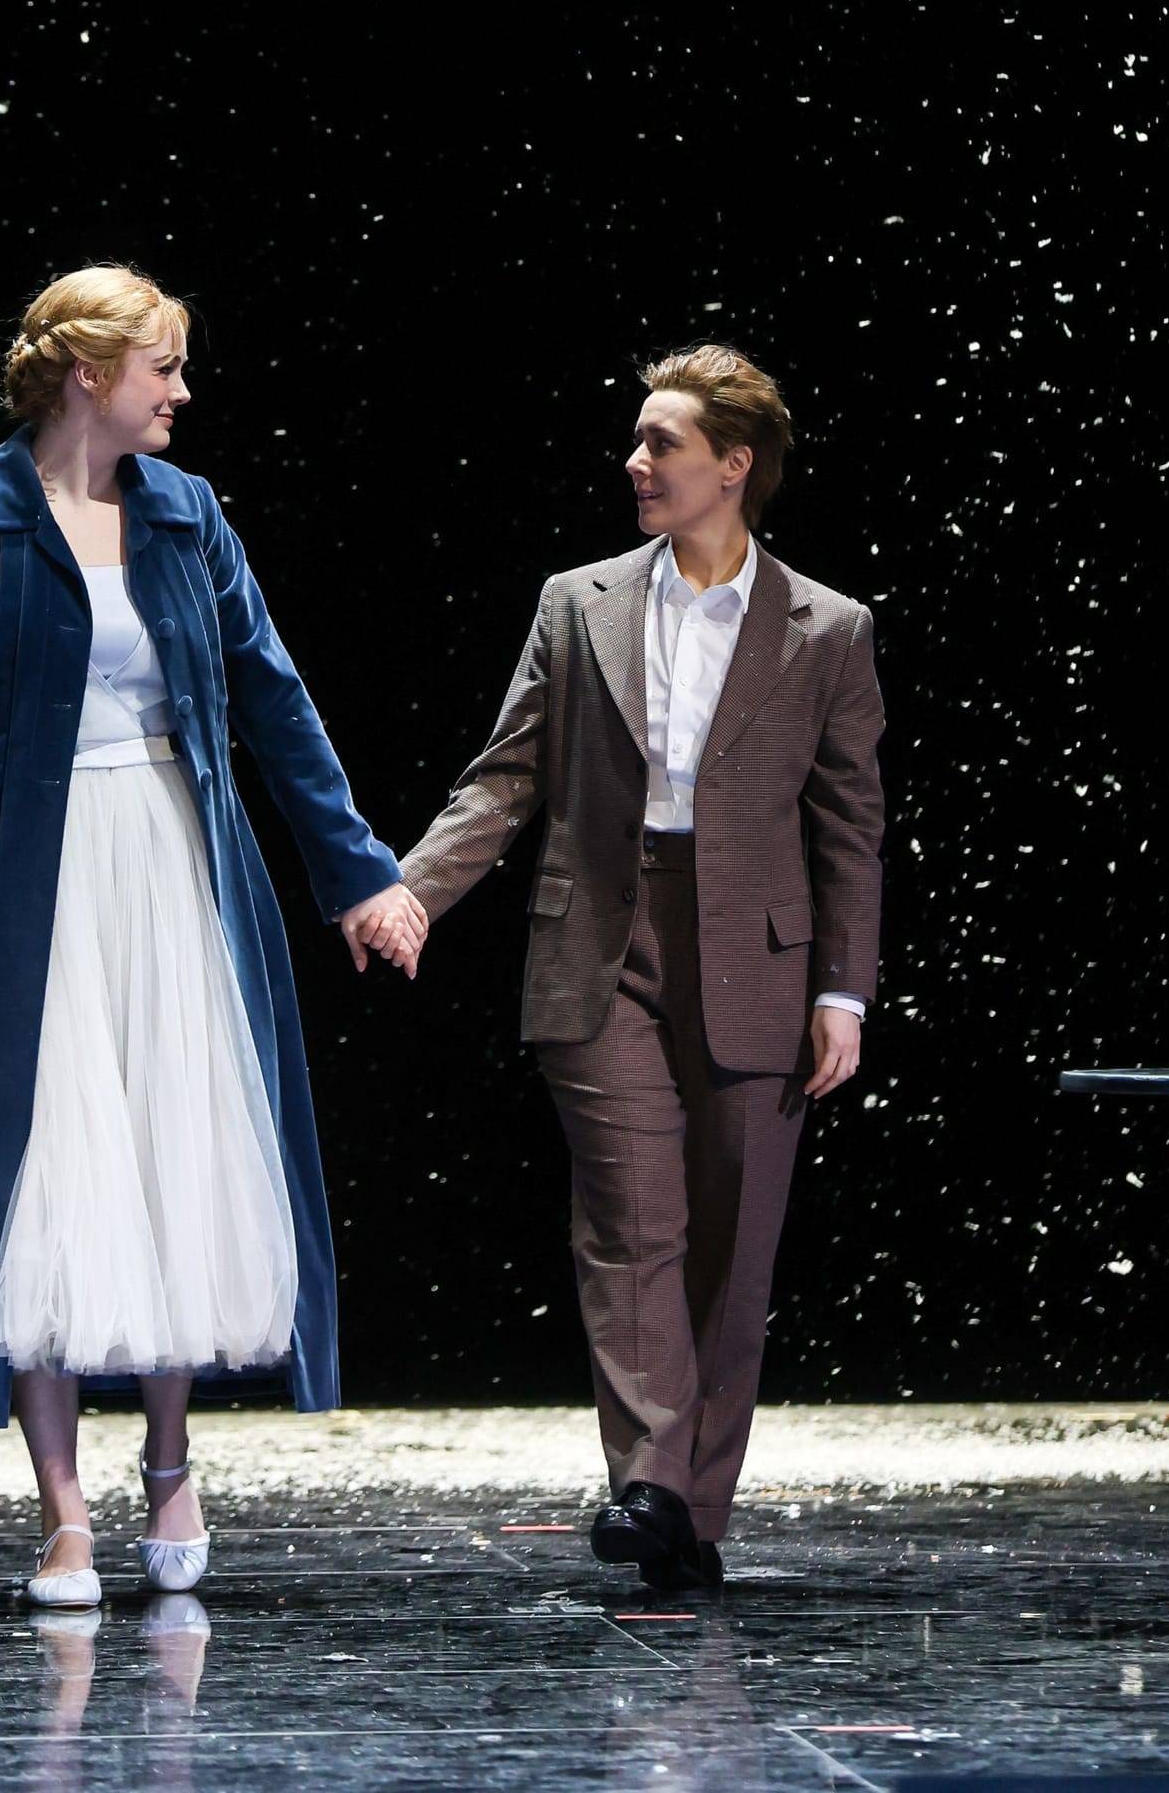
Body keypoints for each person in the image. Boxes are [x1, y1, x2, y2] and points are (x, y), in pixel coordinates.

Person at [0, 264, 421, 1607]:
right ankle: (64, 1511)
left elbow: (274, 700)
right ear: (90, 373)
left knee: (169, 1153)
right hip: (28, 884)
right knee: (51, 1175)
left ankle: (170, 1463)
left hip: (170, 861)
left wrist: (359, 875)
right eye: (165, 368)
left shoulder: (187, 516)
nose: (182, 393)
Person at [372, 341, 884, 1591]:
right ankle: (648, 1480)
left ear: (733, 464)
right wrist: (413, 889)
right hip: (602, 941)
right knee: (630, 1222)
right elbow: (505, 774)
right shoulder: (579, 601)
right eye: (638, 439)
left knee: (731, 1242)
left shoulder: (825, 628)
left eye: (662, 442)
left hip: (756, 959)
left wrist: (841, 990)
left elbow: (847, 826)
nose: (635, 461)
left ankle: (692, 1511)